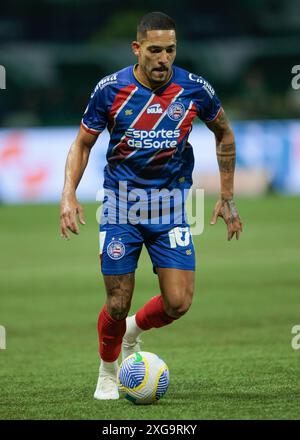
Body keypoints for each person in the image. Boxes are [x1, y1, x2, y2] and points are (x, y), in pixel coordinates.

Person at [60, 11, 243, 400]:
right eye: (155, 50)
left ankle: (132, 332)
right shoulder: (110, 89)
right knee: (116, 301)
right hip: (121, 207)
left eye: (170, 50)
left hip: (171, 207)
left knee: (178, 303)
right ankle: (108, 371)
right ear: (137, 48)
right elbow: (82, 144)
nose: (164, 58)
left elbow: (224, 132)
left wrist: (227, 195)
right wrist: (68, 194)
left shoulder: (194, 89)